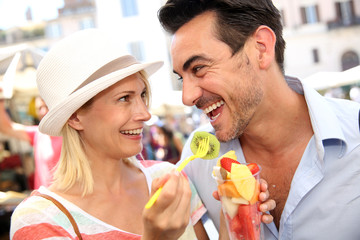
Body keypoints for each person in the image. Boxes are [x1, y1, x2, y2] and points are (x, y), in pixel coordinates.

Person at [158, 0, 360, 239]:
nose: (187, 97)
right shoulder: (196, 161)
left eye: (199, 68)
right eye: (182, 78)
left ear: (261, 48)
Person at [0, 94, 62, 190]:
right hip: (42, 201)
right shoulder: (38, 133)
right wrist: (1, 99)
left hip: (61, 201)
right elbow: (6, 128)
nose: (43, 111)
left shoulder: (69, 136)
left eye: (46, 106)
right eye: (39, 108)